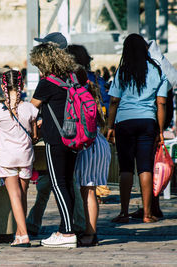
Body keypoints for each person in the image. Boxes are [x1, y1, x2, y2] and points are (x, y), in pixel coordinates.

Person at [26, 33, 86, 238]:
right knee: (68, 183)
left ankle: (66, 232)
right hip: (74, 137)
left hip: (56, 138)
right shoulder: (71, 77)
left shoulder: (46, 83)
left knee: (58, 184)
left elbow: (30, 110)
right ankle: (68, 227)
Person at [106, 33, 168, 224]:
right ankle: (147, 214)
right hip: (148, 122)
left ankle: (124, 212)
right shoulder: (157, 71)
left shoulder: (122, 72)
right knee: (145, 167)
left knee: (126, 168)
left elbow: (114, 101)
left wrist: (110, 126)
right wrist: (160, 131)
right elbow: (162, 103)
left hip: (124, 122)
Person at [66, 45, 111, 247]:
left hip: (87, 144)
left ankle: (89, 232)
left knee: (86, 191)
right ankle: (89, 230)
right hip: (99, 142)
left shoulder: (75, 88)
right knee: (89, 190)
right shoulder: (96, 82)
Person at [0, 70, 38, 247]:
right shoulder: (30, 108)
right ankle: (19, 234)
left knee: (14, 197)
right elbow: (34, 134)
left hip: (7, 158)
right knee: (23, 195)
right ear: (22, 86)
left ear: (3, 86)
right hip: (26, 157)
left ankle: (23, 235)